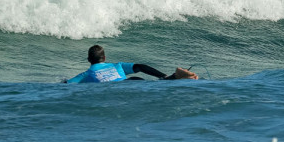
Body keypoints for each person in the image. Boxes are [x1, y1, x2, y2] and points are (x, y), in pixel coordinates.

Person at [65, 44, 199, 83]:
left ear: (89, 60)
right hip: (133, 81)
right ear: (104, 58)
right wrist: (162, 75)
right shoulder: (116, 66)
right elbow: (141, 67)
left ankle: (174, 78)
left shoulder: (86, 74)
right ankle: (172, 77)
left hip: (120, 88)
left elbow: (68, 84)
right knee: (158, 83)